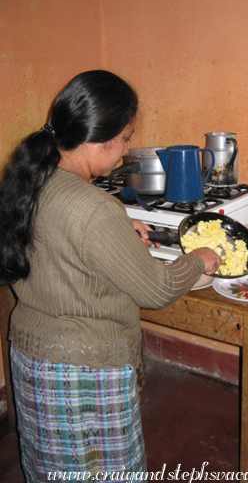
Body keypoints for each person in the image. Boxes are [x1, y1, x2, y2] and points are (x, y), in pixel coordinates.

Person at [0, 70, 221, 483]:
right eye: (124, 139)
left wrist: (119, 226)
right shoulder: (92, 206)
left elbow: (61, 240)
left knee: (52, 469)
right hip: (82, 371)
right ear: (99, 140)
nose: (124, 152)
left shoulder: (31, 179)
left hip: (32, 358)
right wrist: (201, 259)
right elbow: (157, 290)